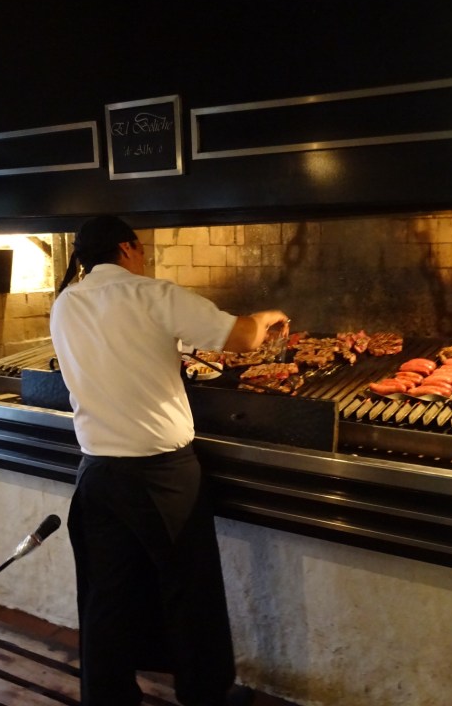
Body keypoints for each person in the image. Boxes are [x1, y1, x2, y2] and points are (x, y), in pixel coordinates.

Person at [50, 215, 288, 706]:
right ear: (126, 248)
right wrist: (267, 315)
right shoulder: (152, 294)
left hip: (97, 472)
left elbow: (124, 349)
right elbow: (241, 338)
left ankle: (108, 697)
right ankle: (203, 693)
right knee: (189, 587)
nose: (144, 256)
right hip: (161, 474)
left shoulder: (65, 305)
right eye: (141, 248)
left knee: (107, 596)